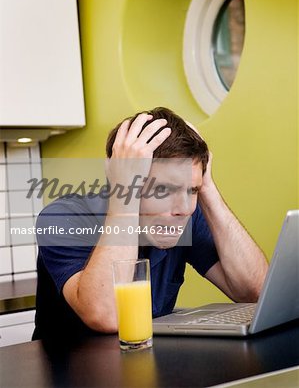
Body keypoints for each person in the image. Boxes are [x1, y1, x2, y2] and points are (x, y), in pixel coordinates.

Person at [32, 107, 268, 341]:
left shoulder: (182, 217)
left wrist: (207, 187)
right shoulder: (62, 218)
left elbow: (256, 292)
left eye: (191, 190)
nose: (185, 208)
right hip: (69, 374)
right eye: (164, 189)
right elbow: (106, 316)